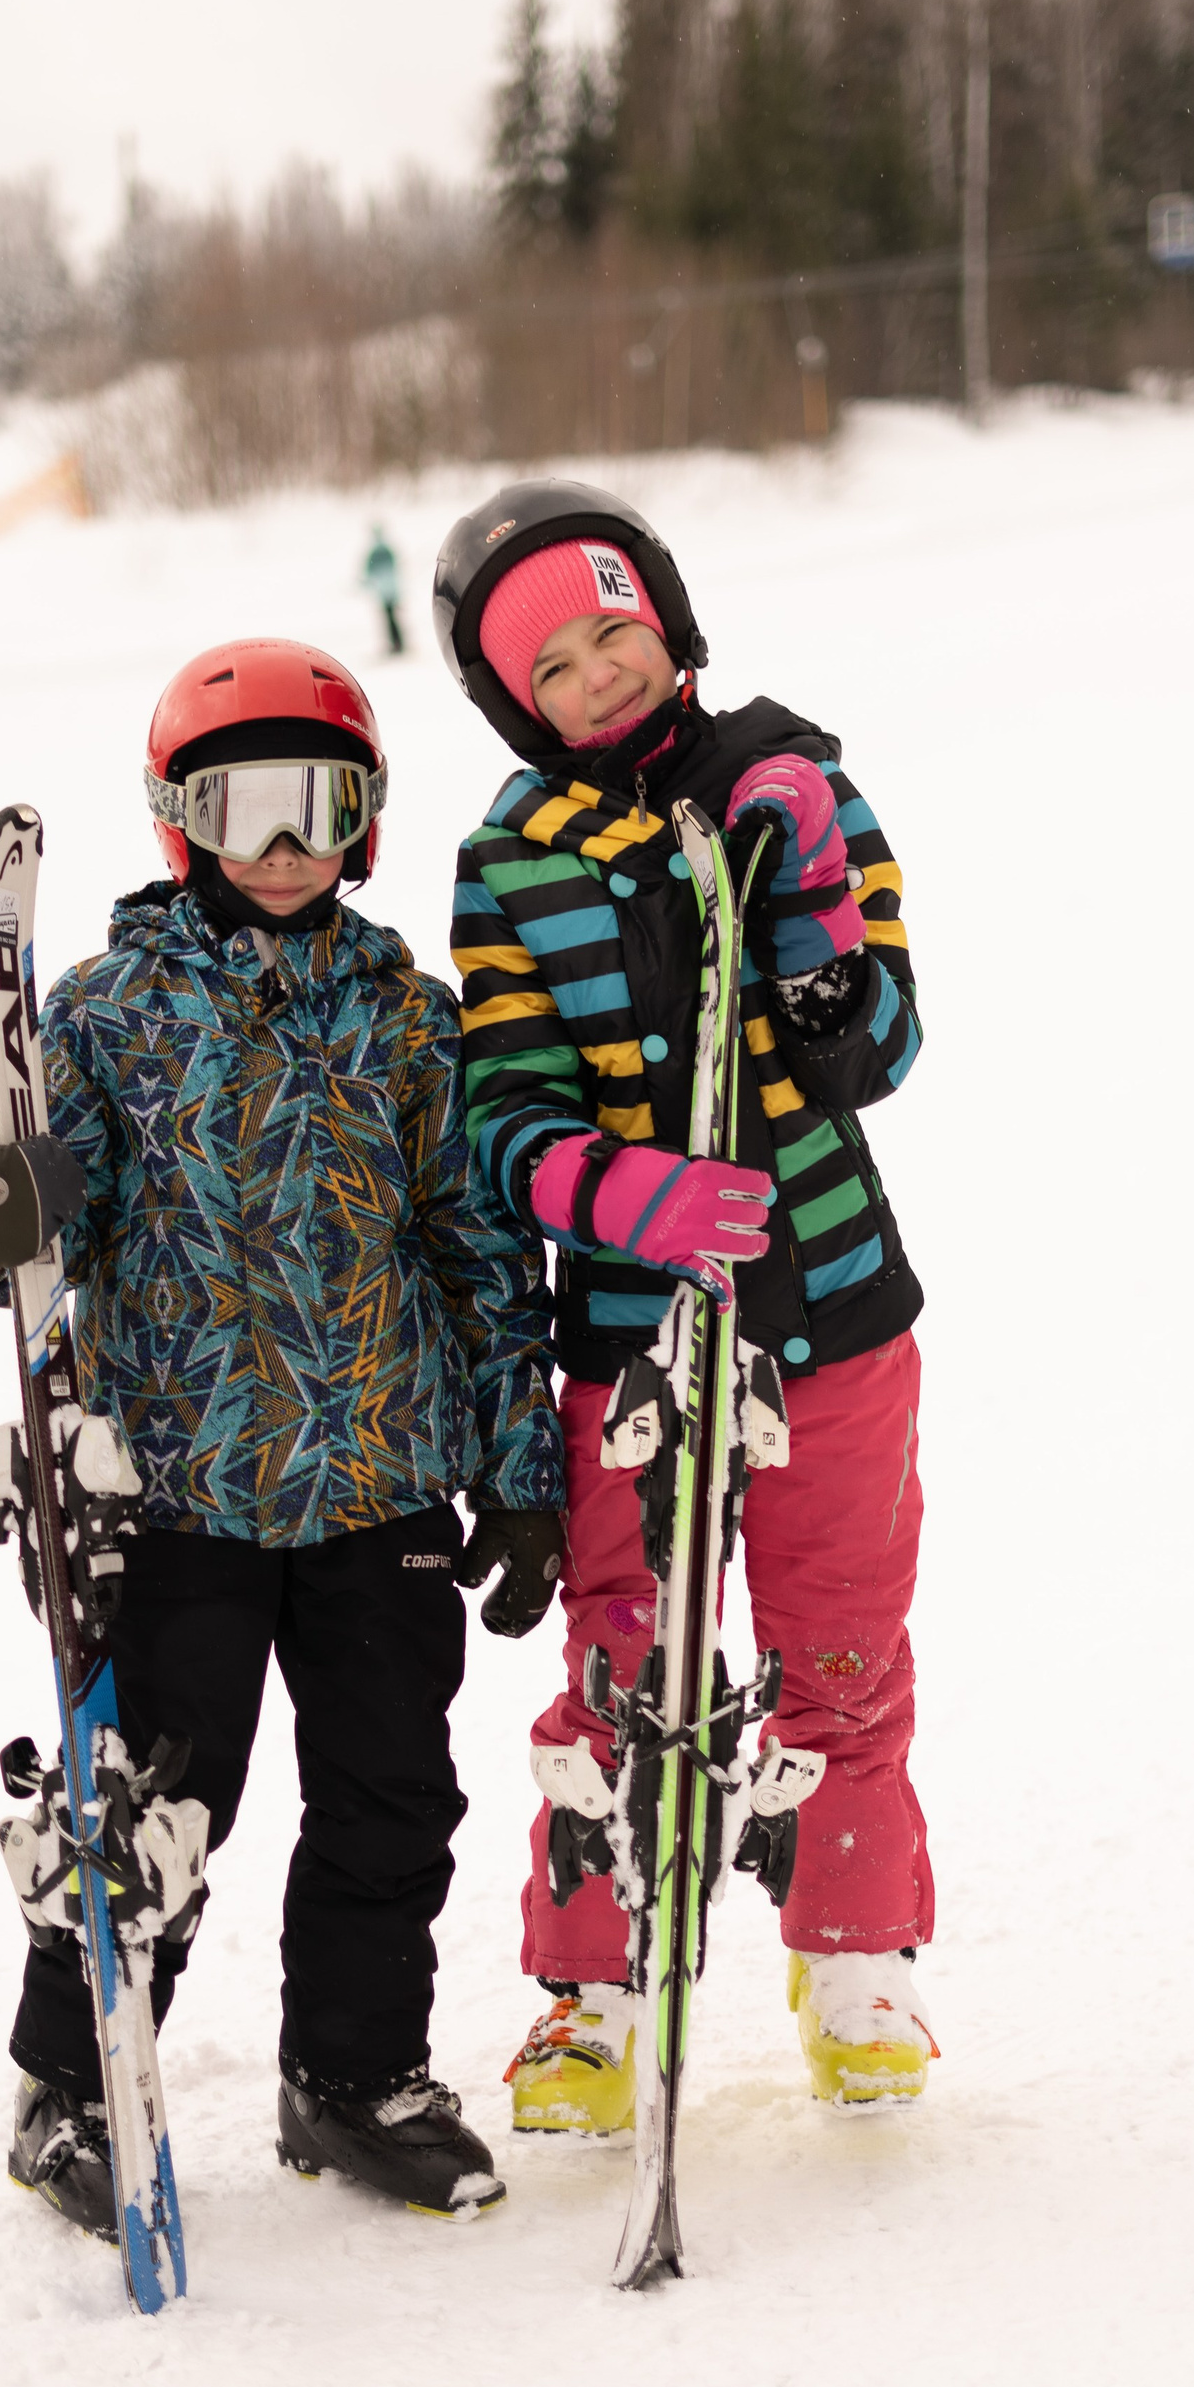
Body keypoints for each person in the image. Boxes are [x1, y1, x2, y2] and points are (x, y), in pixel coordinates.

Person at [0, 637, 564, 2232]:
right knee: (150, 1815)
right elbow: (18, 1234)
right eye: (241, 806)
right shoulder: (106, 1015)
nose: (282, 846)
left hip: (381, 1489)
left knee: (393, 1798)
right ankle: (73, 2085)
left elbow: (479, 1252)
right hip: (176, 1499)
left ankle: (353, 2075)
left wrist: (520, 1472)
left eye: (317, 806)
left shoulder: (414, 1019)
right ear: (179, 819)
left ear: (366, 819)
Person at [432, 482, 937, 2131]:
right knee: (624, 1653)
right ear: (514, 701)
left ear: (666, 620)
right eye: (553, 667)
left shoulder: (792, 781)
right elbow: (503, 1118)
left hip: (829, 1305)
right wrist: (616, 1193)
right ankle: (592, 1989)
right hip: (630, 1336)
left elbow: (882, 1049)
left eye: (614, 634)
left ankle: (854, 1956)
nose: (598, 677)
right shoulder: (513, 861)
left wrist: (818, 917)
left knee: (839, 1644)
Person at [363, 526, 405, 654]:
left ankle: (396, 644)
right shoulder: (386, 550)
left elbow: (370, 571)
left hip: (384, 592)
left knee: (390, 619)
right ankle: (398, 643)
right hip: (391, 590)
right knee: (393, 618)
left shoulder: (375, 552)